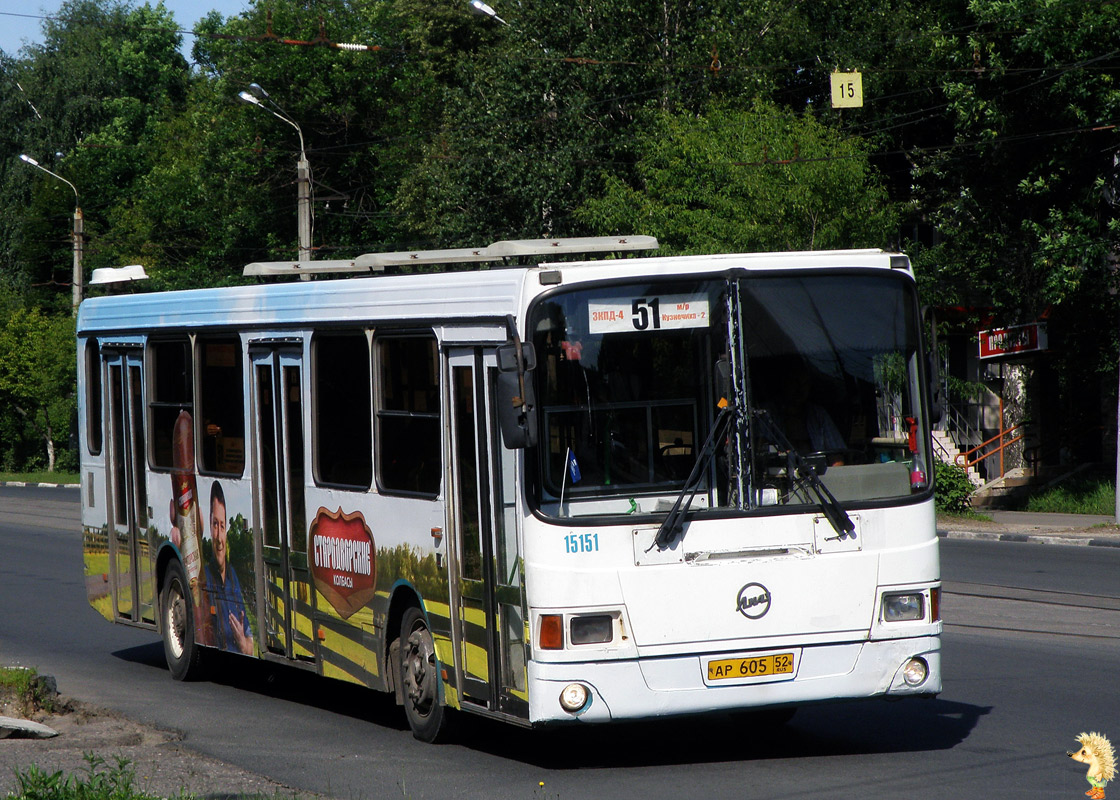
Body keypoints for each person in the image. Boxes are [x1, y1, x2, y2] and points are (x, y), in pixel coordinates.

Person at [203, 481, 254, 655]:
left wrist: (242, 643)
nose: (218, 536)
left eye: (222, 526)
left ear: (226, 531)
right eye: (215, 524)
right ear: (210, 528)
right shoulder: (204, 577)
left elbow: (250, 645)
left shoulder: (233, 577)